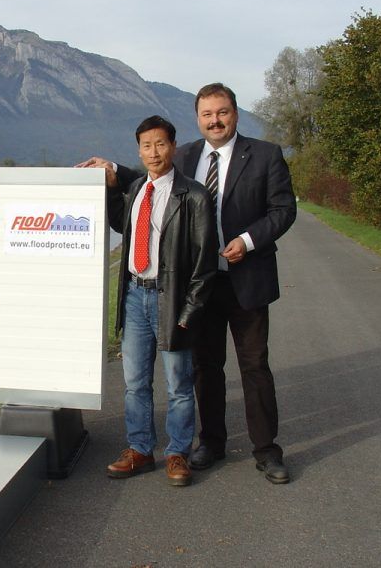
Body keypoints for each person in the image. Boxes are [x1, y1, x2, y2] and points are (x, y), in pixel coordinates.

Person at [82, 83, 297, 484]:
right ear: (197, 118)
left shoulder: (266, 155)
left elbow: (283, 210)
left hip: (244, 279)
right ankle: (211, 443)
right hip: (194, 286)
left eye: (222, 112)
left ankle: (267, 451)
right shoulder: (185, 155)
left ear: (235, 113)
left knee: (254, 367)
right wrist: (111, 169)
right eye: (207, 114)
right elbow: (150, 180)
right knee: (204, 367)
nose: (215, 120)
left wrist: (247, 241)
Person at [82, 115, 217, 486]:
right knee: (135, 383)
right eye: (146, 146)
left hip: (171, 299)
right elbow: (120, 227)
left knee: (178, 384)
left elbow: (206, 263)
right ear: (138, 150)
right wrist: (111, 188)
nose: (153, 152)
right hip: (134, 296)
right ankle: (140, 450)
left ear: (173, 147)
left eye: (160, 144)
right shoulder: (137, 189)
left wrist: (188, 312)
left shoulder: (194, 196)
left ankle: (177, 453)